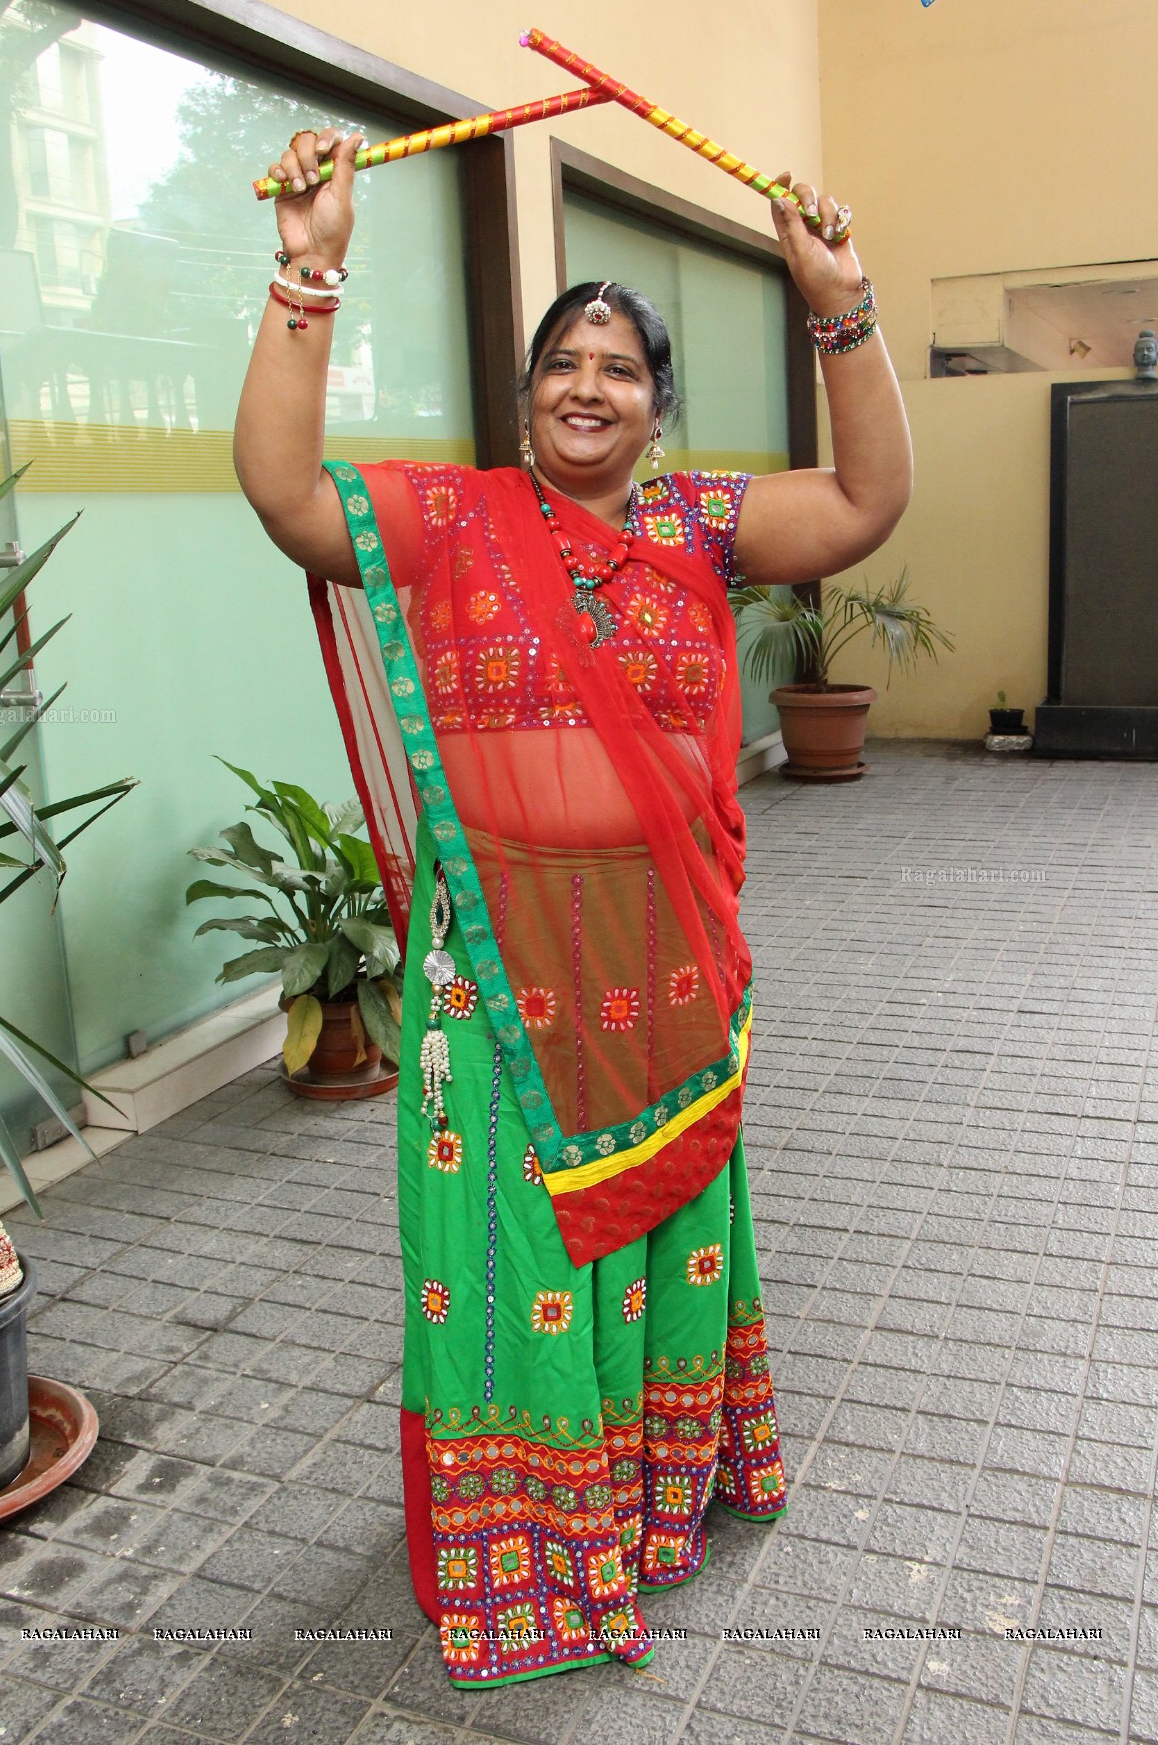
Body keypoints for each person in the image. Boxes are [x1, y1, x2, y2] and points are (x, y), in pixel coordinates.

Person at [235, 127, 911, 1689]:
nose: (588, 386)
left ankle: (653, 1500)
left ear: (657, 405)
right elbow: (281, 493)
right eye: (562, 364)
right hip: (501, 995)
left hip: (666, 974)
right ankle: (534, 1538)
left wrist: (842, 307)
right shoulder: (452, 524)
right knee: (506, 1253)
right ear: (526, 392)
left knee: (662, 1243)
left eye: (620, 366)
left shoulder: (698, 530)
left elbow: (870, 499)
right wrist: (308, 267)